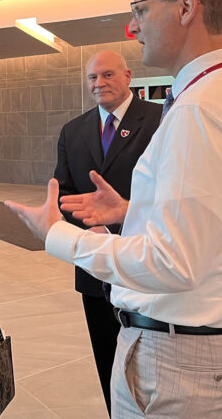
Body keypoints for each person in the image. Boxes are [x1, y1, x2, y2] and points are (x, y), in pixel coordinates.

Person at [6, 0, 222, 419]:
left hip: (178, 363)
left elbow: (172, 264)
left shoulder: (201, 109)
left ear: (186, 6)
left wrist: (59, 235)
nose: (132, 27)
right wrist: (132, 210)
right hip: (217, 345)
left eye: (140, 11)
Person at [54, 49, 161, 415]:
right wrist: (89, 226)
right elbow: (65, 192)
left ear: (128, 76)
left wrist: (122, 220)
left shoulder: (160, 119)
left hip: (145, 259)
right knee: (106, 356)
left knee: (150, 360)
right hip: (93, 266)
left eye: (108, 75)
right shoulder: (73, 130)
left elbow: (171, 187)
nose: (99, 83)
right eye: (92, 78)